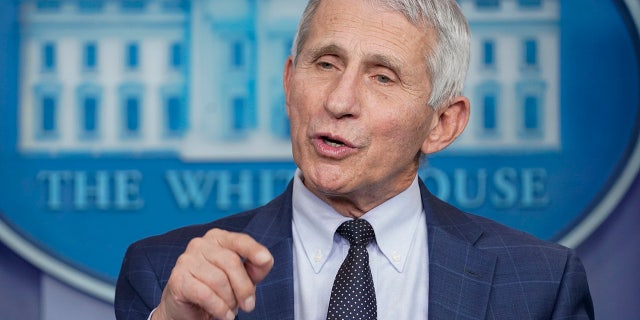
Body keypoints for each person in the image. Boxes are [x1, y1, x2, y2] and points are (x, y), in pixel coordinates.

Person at [115, 0, 594, 319]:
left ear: (442, 124)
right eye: (326, 64)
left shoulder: (541, 285)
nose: (339, 100)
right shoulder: (164, 275)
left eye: (382, 77)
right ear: (288, 83)